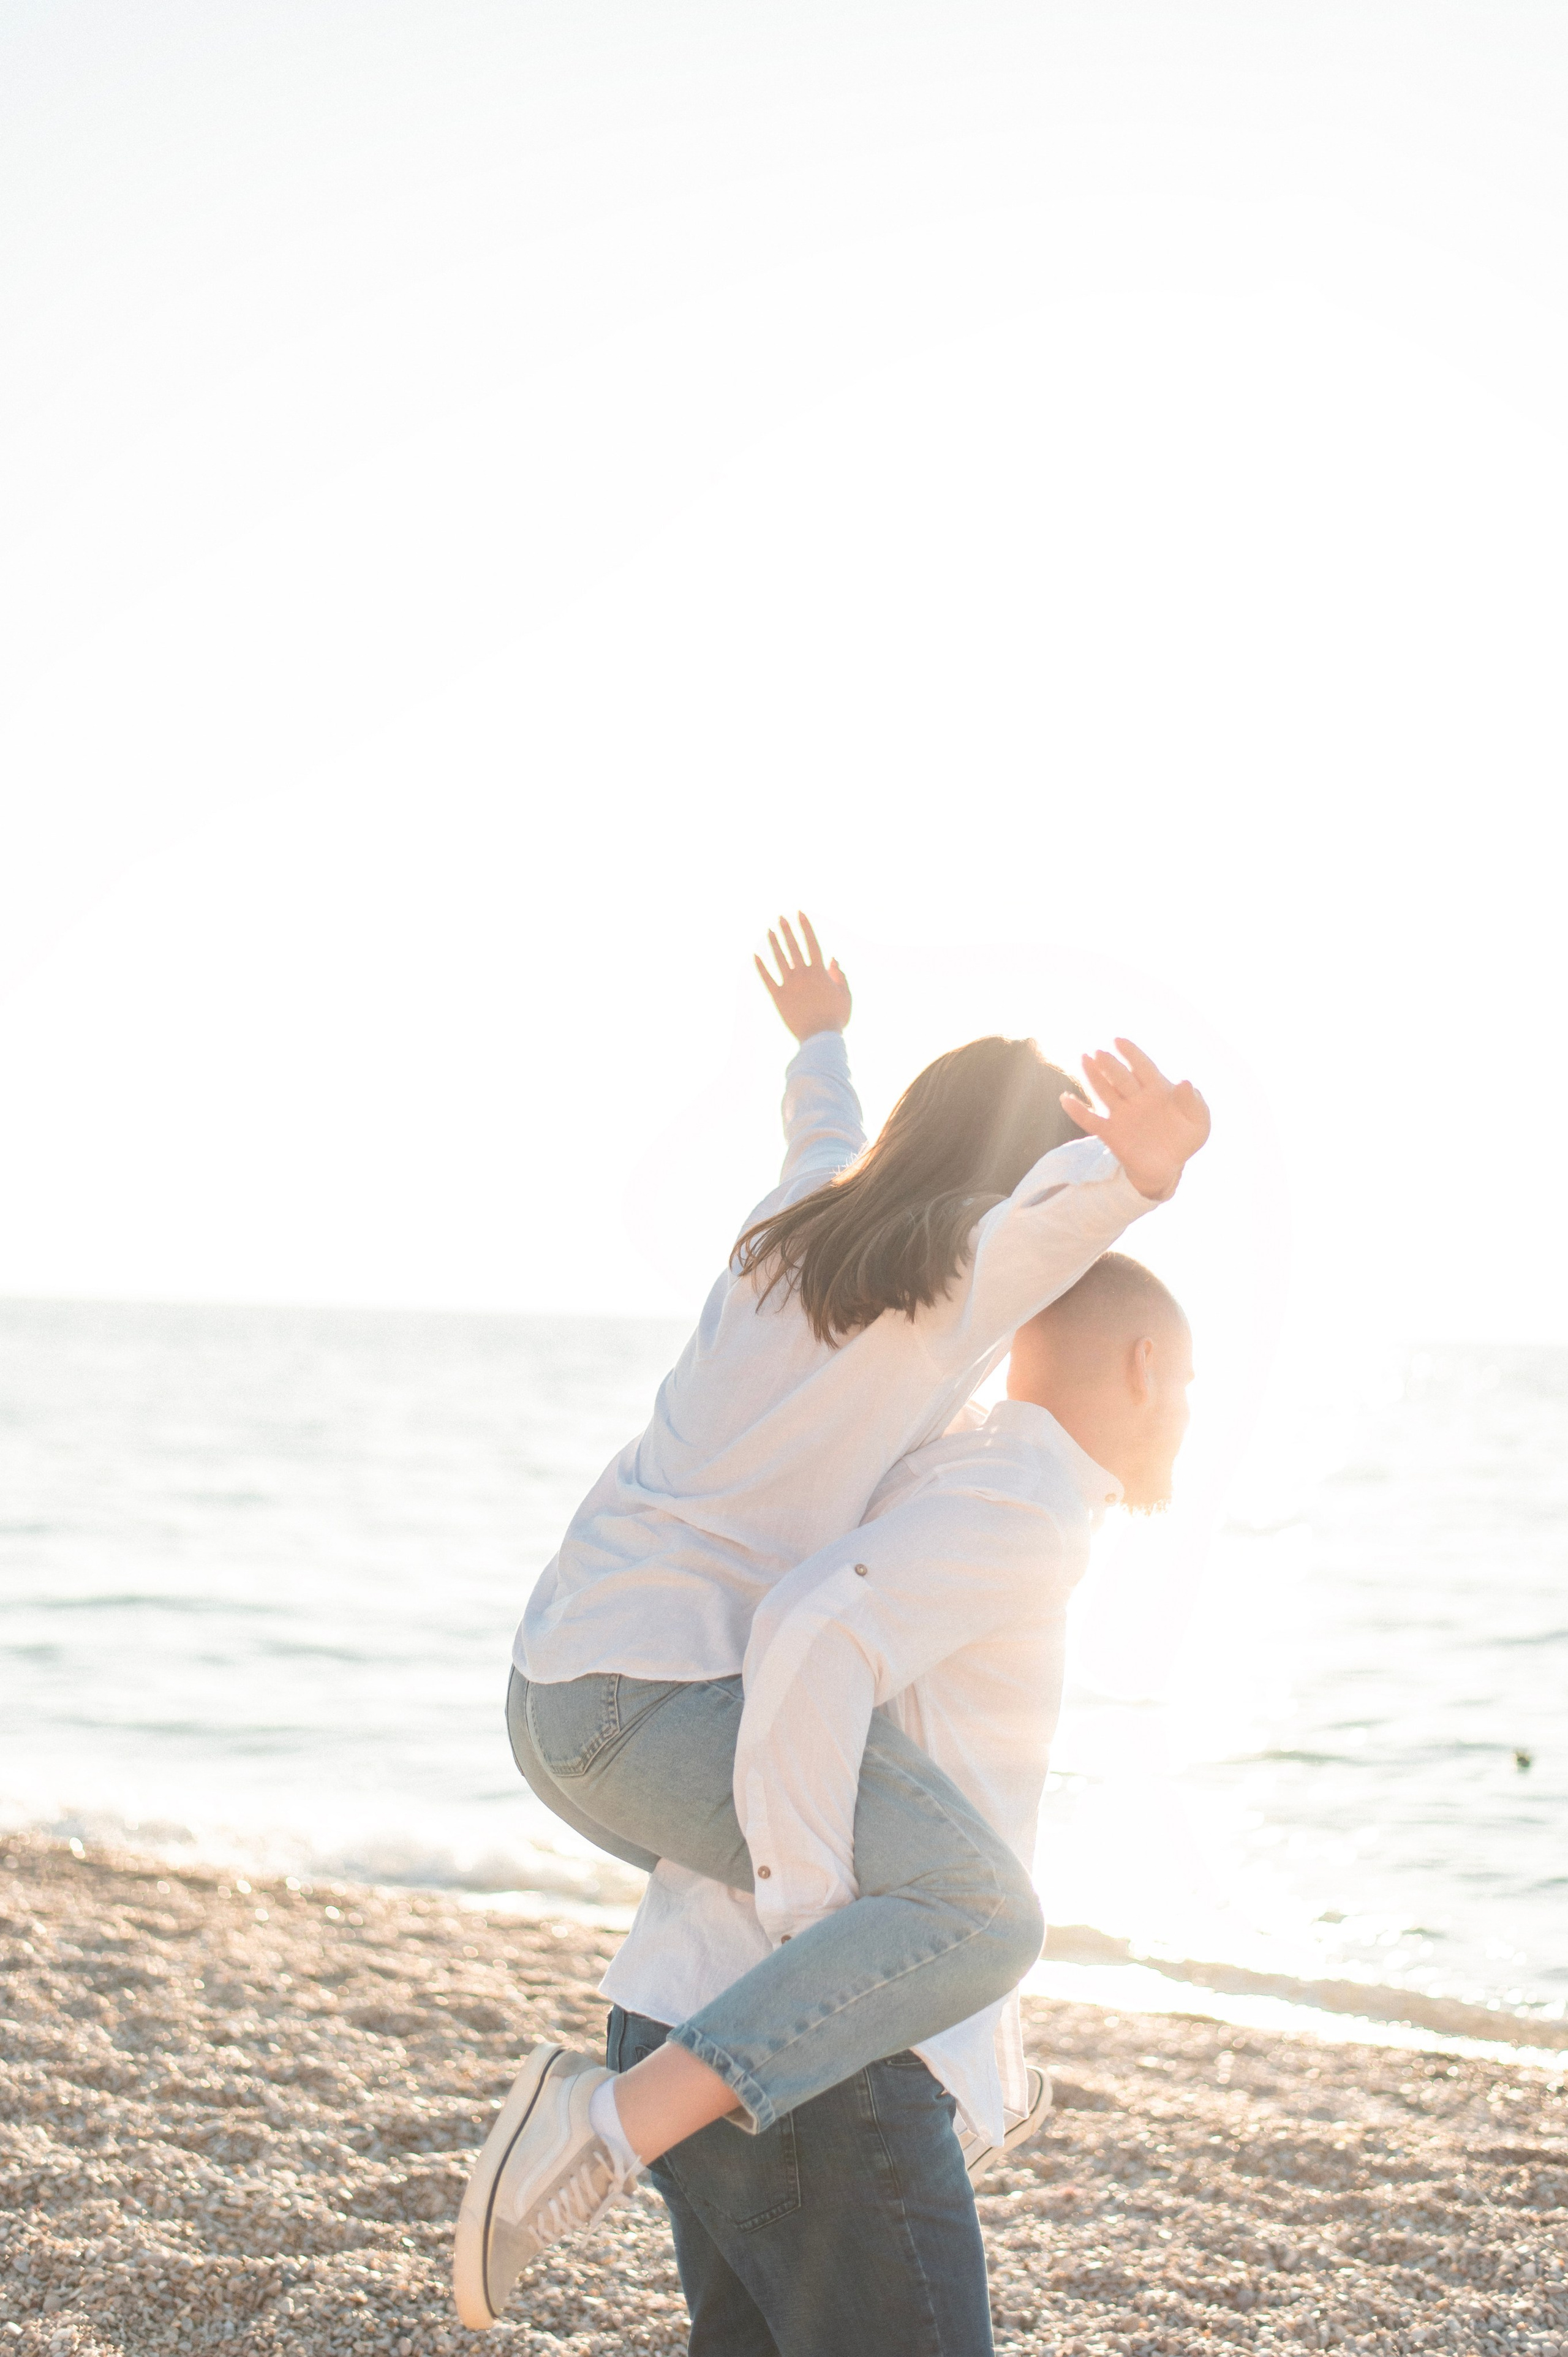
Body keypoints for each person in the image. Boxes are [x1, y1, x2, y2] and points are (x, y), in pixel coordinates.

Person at [453, 919, 1209, 2330]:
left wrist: (819, 1033)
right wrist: (1141, 1173)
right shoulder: (944, 1290)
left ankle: (757, 2072)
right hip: (656, 1696)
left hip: (553, 1696)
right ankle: (599, 2127)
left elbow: (824, 1127)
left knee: (892, 1896)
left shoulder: (792, 1222)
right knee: (973, 1908)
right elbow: (1044, 1228)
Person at [597, 1251, 1194, 2355]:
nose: (1190, 1415)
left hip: (681, 2007)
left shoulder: (942, 1465)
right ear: (1148, 1367)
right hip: (811, 2062)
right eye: (1192, 1387)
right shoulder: (1025, 1504)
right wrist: (819, 1943)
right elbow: (814, 1628)